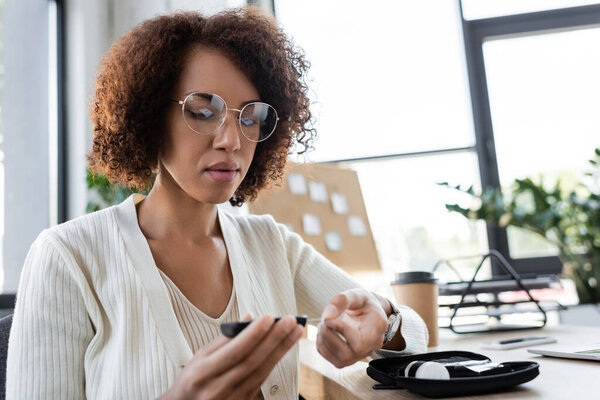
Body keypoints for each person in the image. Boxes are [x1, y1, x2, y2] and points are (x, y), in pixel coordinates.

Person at [6, 7, 427, 400]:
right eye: (204, 113)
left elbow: (415, 331)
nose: (231, 140)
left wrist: (383, 320)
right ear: (151, 117)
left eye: (250, 117)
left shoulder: (270, 245)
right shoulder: (68, 257)